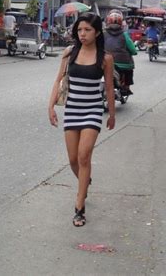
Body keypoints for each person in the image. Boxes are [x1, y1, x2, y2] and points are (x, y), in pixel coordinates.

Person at [48, 13, 116, 227]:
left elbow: (109, 88)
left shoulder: (105, 58)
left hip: (92, 111)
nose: (82, 34)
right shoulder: (70, 52)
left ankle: (79, 206)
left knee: (84, 156)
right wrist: (50, 107)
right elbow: (58, 80)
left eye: (87, 30)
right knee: (73, 161)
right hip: (72, 110)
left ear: (97, 32)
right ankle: (85, 182)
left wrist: (112, 113)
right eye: (79, 30)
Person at [104, 11, 137, 95]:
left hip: (105, 62)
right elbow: (132, 49)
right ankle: (126, 87)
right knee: (129, 71)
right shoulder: (124, 34)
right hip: (123, 64)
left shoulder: (103, 33)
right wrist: (134, 52)